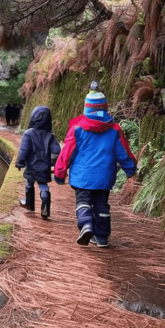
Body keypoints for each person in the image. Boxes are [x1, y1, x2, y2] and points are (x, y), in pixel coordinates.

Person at [54, 82, 136, 247]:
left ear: (86, 108)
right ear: (105, 108)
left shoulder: (77, 128)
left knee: (83, 200)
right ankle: (102, 237)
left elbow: (67, 153)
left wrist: (60, 172)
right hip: (104, 177)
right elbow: (123, 153)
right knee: (101, 204)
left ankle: (86, 225)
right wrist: (130, 169)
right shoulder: (114, 130)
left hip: (82, 176)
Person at [15, 106, 61, 219]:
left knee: (29, 183)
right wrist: (51, 162)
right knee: (43, 185)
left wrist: (20, 162)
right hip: (44, 165)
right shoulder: (50, 135)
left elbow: (24, 150)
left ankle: (29, 203)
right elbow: (56, 150)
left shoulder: (28, 134)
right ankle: (45, 206)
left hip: (32, 165)